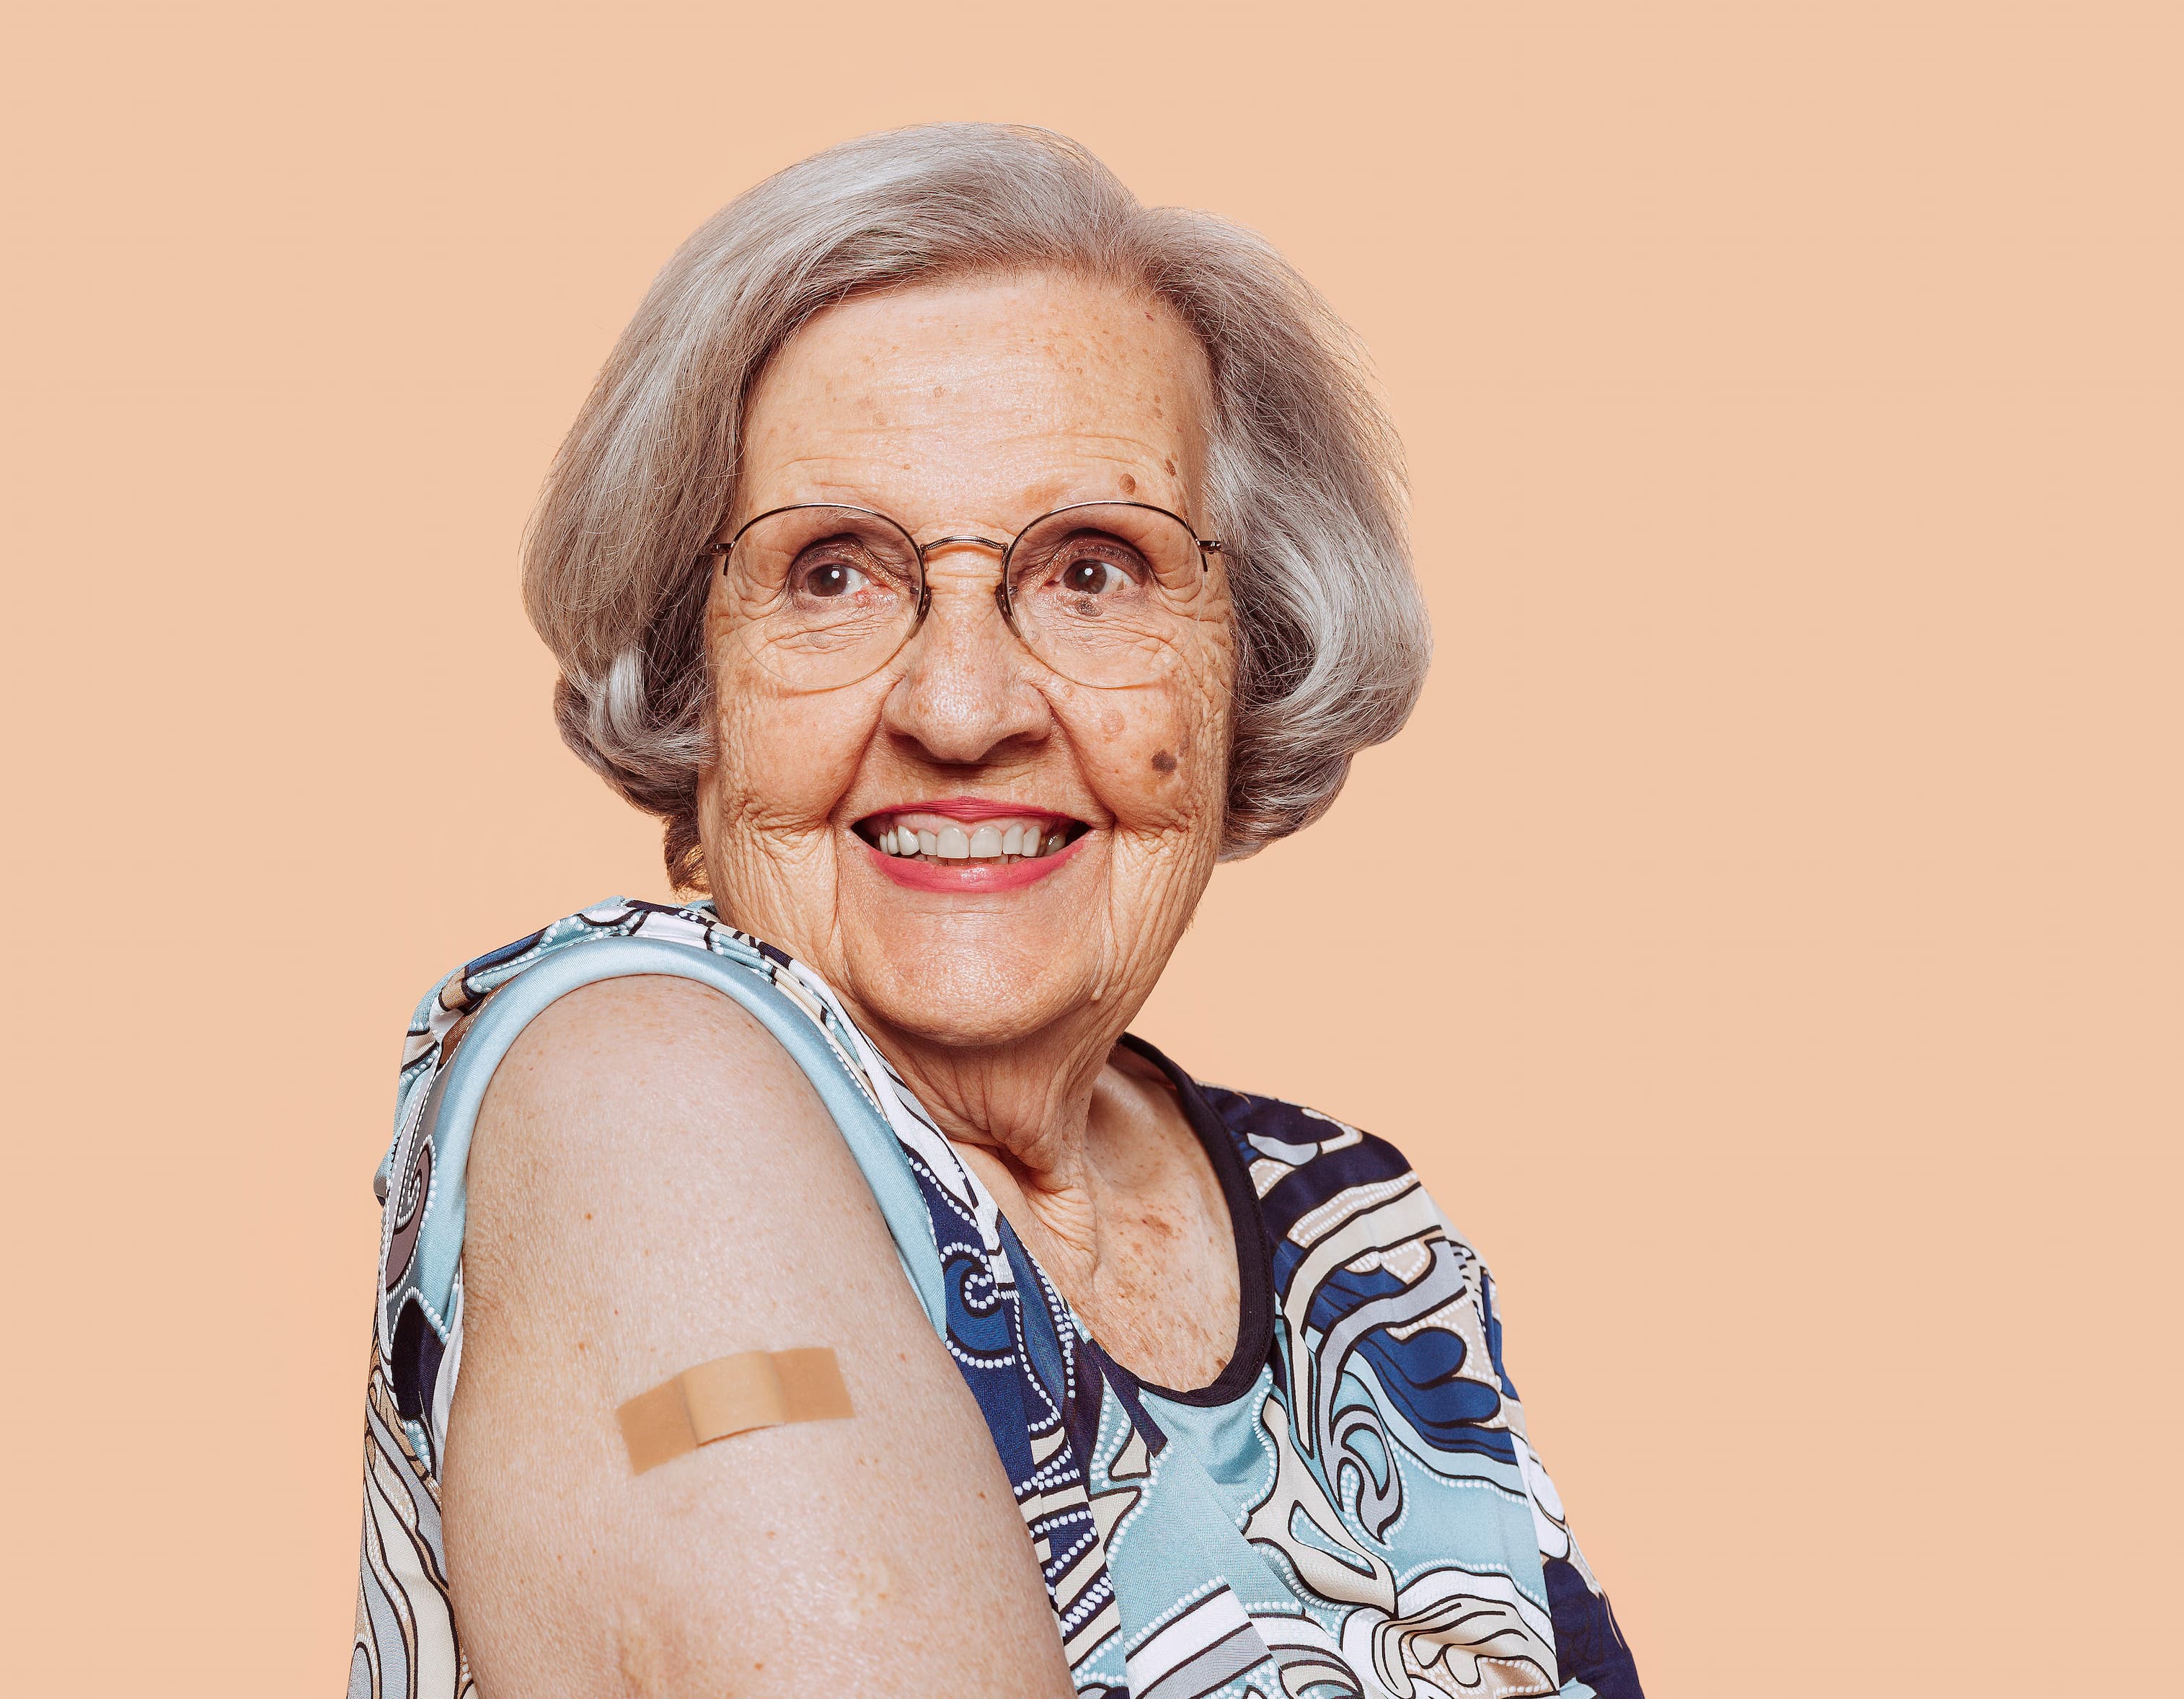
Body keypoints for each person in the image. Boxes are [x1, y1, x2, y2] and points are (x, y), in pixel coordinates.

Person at [350, 123, 1641, 1699]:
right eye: (834, 571)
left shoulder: (1358, 1236)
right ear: (696, 680)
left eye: (1093, 569)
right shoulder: (637, 1092)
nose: (963, 706)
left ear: (1252, 658)